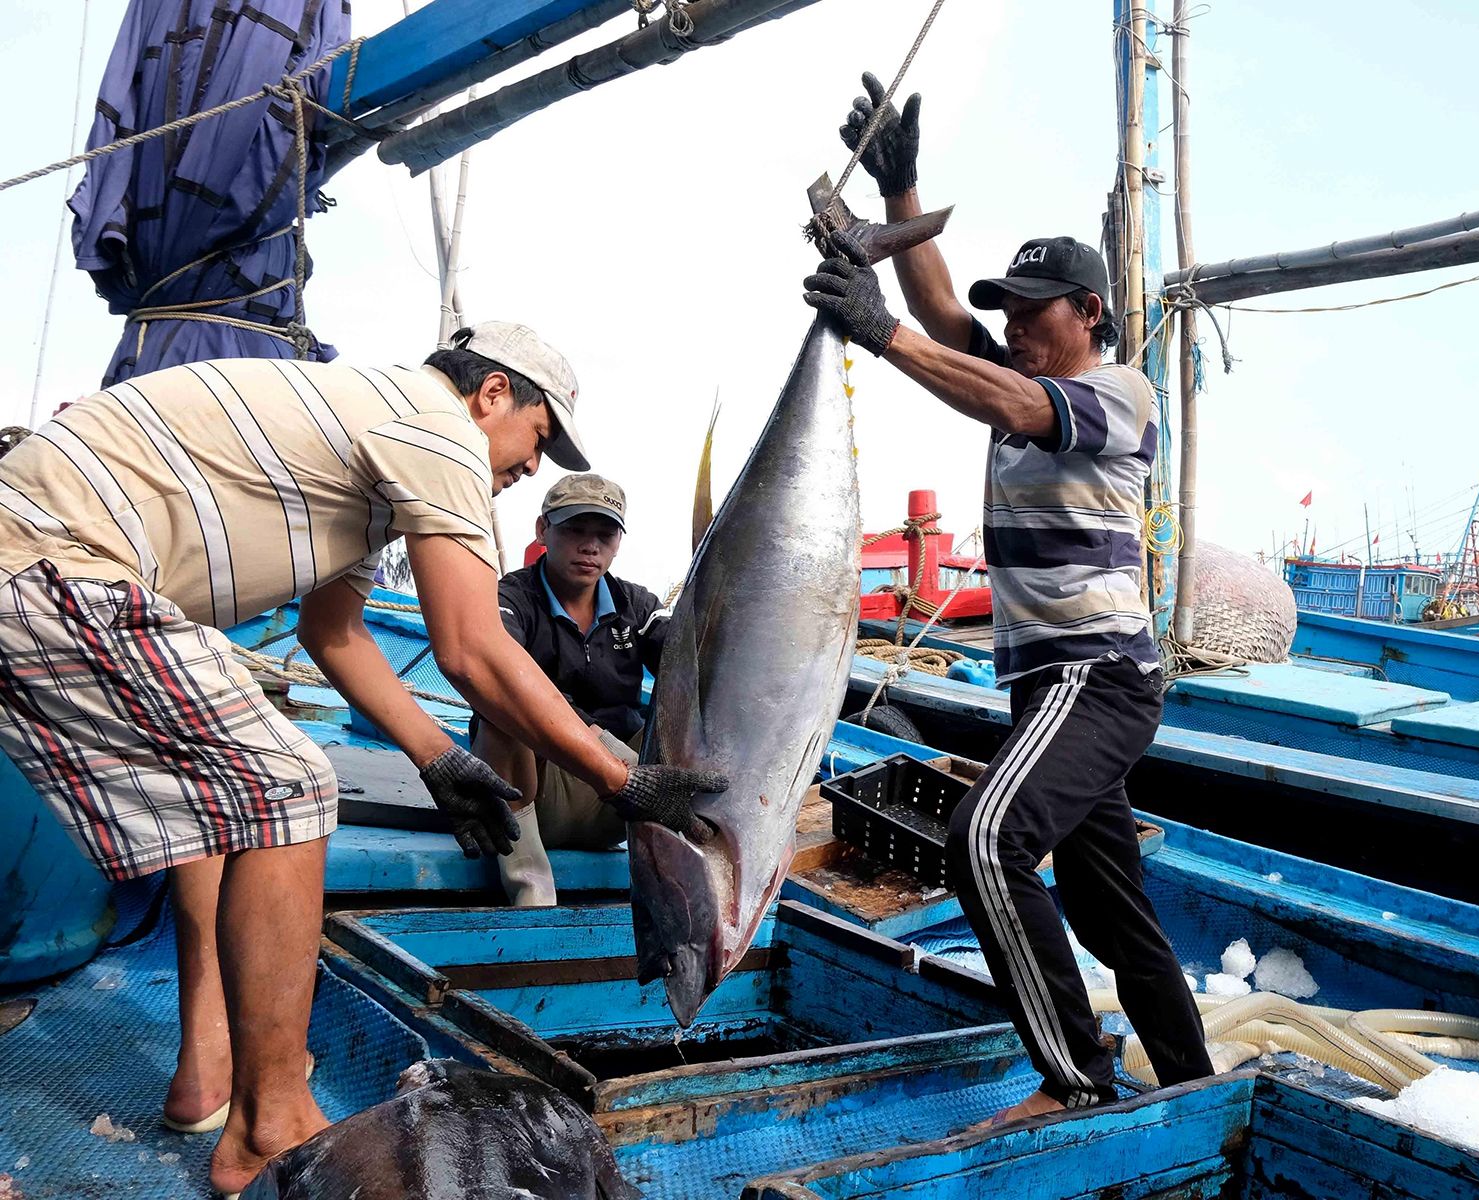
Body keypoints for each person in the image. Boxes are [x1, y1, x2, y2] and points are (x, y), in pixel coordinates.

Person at [0, 323, 724, 1195]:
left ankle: (207, 1070)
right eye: (538, 436)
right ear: (492, 393)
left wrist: (436, 756)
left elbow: (332, 632)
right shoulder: (436, 426)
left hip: (44, 561)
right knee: (289, 786)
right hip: (50, 560)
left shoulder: (370, 456)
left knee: (225, 795)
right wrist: (623, 780)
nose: (534, 465)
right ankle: (270, 1122)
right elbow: (471, 647)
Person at [800, 74, 1213, 1125]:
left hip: (1097, 678)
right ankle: (1192, 1085)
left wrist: (879, 334)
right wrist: (901, 194)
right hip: (1047, 691)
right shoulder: (1013, 381)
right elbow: (943, 317)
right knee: (1109, 912)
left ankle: (1074, 1081)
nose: (1015, 325)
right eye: (1010, 313)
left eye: (1035, 311)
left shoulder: (1119, 393)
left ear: (1090, 314)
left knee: (984, 843)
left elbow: (1013, 398)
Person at [476, 473, 670, 905]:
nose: (590, 546)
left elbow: (684, 663)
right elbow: (498, 672)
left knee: (692, 711)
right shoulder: (511, 598)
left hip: (623, 804)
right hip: (535, 795)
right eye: (575, 530)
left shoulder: (638, 606)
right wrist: (609, 752)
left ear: (618, 543)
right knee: (501, 708)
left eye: (604, 535)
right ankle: (530, 887)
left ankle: (684, 879)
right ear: (542, 530)